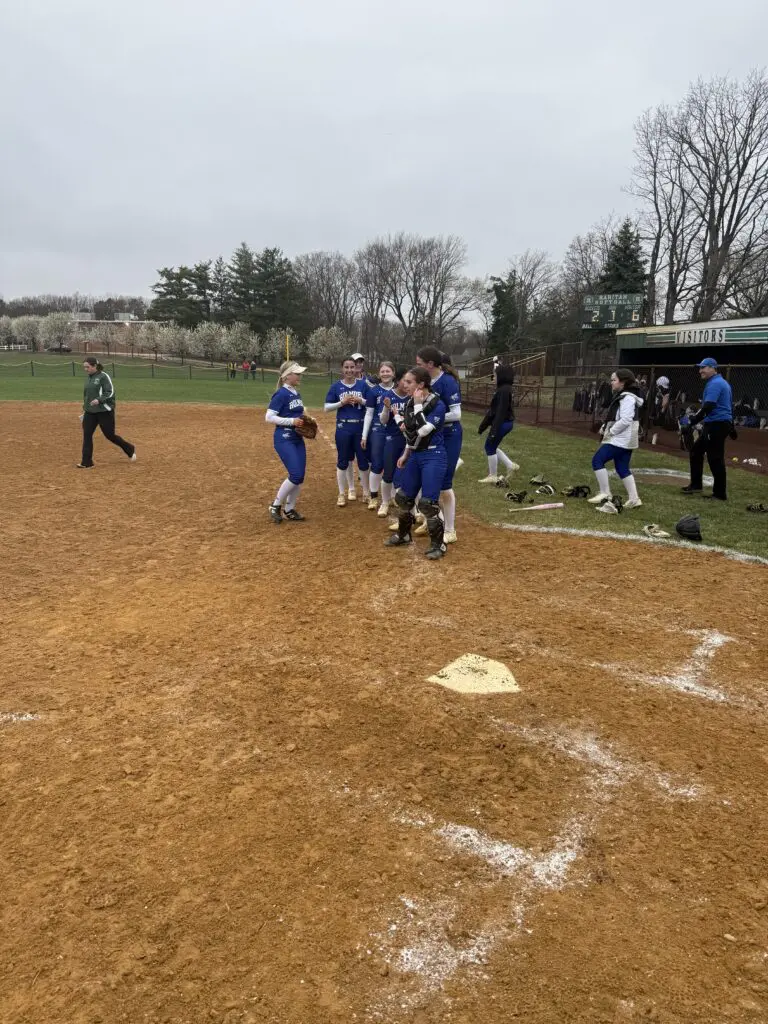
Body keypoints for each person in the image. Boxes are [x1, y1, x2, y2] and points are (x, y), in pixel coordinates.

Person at [384, 367, 447, 560]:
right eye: (404, 381)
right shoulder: (411, 402)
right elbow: (411, 433)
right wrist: (406, 453)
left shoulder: (438, 403)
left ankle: (439, 545)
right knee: (404, 498)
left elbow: (424, 431)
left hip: (434, 456)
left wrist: (419, 406)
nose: (404, 385)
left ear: (421, 384)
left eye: (409, 382)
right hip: (417, 455)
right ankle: (403, 535)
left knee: (428, 504)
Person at [414, 346, 462, 544]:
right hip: (432, 437)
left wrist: (433, 419)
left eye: (419, 364)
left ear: (430, 364)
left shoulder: (447, 382)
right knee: (428, 481)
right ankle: (432, 519)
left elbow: (457, 414)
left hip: (449, 436)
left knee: (444, 484)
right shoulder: (427, 382)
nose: (417, 367)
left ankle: (450, 529)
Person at [587, 368, 644, 512]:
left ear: (623, 382)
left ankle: (605, 493)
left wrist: (611, 431)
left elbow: (625, 420)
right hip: (625, 439)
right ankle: (634, 499)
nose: (611, 383)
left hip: (620, 439)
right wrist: (605, 427)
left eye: (614, 380)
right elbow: (617, 417)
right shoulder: (626, 396)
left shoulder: (628, 397)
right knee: (622, 468)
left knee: (597, 460)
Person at [682, 357, 734, 501]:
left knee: (715, 458)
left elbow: (708, 407)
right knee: (696, 451)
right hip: (716, 423)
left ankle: (719, 494)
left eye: (703, 368)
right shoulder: (720, 382)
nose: (700, 371)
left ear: (712, 368)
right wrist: (732, 426)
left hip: (716, 424)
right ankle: (696, 484)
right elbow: (727, 405)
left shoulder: (715, 384)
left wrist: (691, 422)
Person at [265, 360, 309, 523]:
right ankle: (275, 505)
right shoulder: (281, 394)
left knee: (300, 476)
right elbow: (269, 417)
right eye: (296, 373)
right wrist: (292, 422)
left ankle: (289, 509)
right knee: (295, 474)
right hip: (284, 438)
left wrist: (307, 420)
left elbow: (298, 413)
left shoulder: (296, 393)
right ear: (287, 376)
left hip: (297, 438)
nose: (299, 376)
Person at [324, 357, 371, 506]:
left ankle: (366, 491)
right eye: (347, 367)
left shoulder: (363, 385)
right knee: (344, 461)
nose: (350, 370)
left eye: (352, 367)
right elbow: (326, 408)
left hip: (360, 427)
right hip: (343, 428)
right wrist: (342, 403)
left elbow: (371, 404)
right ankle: (344, 492)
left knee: (363, 462)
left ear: (357, 368)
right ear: (342, 369)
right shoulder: (336, 387)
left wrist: (360, 400)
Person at [77, 357, 136, 469]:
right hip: (90, 412)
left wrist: (99, 400)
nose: (85, 369)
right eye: (84, 367)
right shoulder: (89, 378)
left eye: (87, 367)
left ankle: (129, 448)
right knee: (87, 435)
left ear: (94, 366)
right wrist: (85, 408)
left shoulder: (103, 376)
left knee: (110, 435)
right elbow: (86, 395)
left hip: (104, 411)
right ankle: (87, 462)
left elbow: (110, 392)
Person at [362, 361, 396, 510]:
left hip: (395, 431)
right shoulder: (373, 391)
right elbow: (369, 414)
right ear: (379, 373)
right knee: (377, 463)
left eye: (388, 371)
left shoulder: (399, 390)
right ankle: (374, 496)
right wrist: (364, 435)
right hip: (378, 430)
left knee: (393, 464)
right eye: (382, 371)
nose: (385, 374)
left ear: (393, 373)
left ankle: (393, 496)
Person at [477, 364, 520, 483]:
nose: (493, 377)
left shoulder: (504, 391)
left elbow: (500, 412)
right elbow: (493, 411)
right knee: (492, 446)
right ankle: (511, 466)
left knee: (489, 447)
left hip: (503, 423)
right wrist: (483, 426)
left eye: (495, 375)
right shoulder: (504, 389)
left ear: (502, 376)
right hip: (504, 422)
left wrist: (493, 431)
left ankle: (493, 475)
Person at [378, 369, 409, 520]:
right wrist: (386, 408)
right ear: (399, 380)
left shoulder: (412, 397)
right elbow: (383, 421)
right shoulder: (389, 395)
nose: (407, 384)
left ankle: (408, 506)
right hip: (392, 438)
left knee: (405, 474)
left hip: (408, 440)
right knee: (388, 473)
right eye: (405, 380)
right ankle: (384, 502)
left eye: (410, 382)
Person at [650, 375, 671, 445]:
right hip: (655, 409)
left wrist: (662, 397)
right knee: (655, 424)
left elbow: (664, 404)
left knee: (658, 424)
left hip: (661, 411)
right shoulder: (656, 390)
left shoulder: (665, 393)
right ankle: (653, 437)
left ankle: (655, 438)